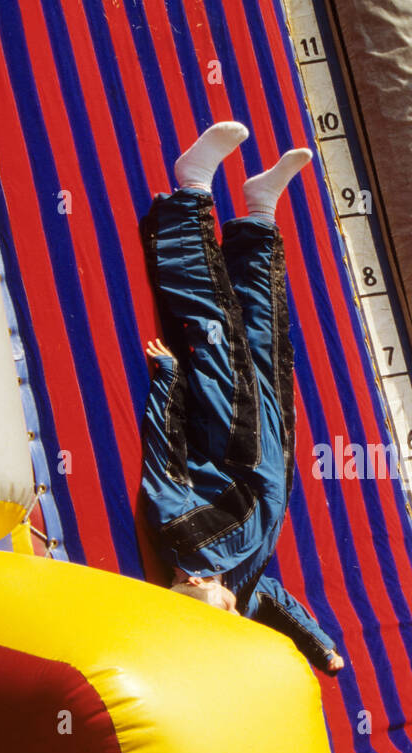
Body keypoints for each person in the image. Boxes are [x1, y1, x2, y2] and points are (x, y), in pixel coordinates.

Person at [140, 121, 343, 674]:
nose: (234, 608)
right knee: (269, 336)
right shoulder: (243, 591)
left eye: (221, 610)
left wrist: (165, 378)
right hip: (277, 446)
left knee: (217, 323)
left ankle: (191, 193)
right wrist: (320, 645)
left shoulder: (180, 536)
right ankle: (258, 214)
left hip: (232, 432)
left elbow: (164, 458)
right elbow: (273, 598)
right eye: (234, 614)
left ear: (191, 598)